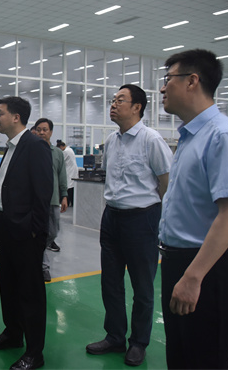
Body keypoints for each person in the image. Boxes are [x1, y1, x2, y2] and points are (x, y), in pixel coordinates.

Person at [158, 49, 228, 369]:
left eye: (168, 79)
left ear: (192, 81)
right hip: (180, 263)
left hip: (207, 268)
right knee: (180, 357)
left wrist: (193, 277)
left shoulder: (223, 136)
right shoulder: (190, 137)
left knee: (204, 359)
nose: (162, 88)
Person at [86, 84, 173, 367]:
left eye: (120, 100)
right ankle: (114, 336)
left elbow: (167, 183)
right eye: (113, 100)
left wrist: (155, 217)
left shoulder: (151, 140)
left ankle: (138, 342)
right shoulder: (112, 140)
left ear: (137, 107)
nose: (113, 104)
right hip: (112, 217)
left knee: (142, 287)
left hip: (142, 219)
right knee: (110, 283)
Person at [0, 97, 53, 370]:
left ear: (16, 117)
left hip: (26, 234)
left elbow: (43, 194)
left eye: (0, 113)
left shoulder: (35, 146)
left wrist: (35, 232)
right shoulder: (11, 147)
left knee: (30, 294)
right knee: (9, 287)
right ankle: (13, 334)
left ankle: (35, 352)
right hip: (7, 229)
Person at [33, 118, 68, 280]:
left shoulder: (58, 153)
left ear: (51, 132)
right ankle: (43, 266)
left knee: (53, 232)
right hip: (35, 201)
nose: (41, 132)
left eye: (45, 129)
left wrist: (64, 195)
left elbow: (62, 175)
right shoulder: (31, 151)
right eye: (39, 129)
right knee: (38, 232)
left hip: (53, 199)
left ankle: (38, 252)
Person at [56, 140, 79, 207]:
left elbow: (61, 160)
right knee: (71, 186)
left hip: (70, 170)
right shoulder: (70, 149)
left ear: (61, 146)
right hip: (72, 170)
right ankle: (71, 202)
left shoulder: (66, 151)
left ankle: (68, 202)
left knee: (68, 187)